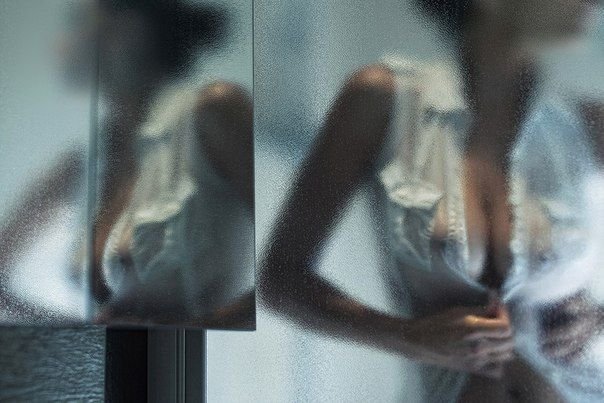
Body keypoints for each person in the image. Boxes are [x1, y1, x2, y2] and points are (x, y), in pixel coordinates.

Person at [260, 0, 604, 400]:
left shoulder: (584, 120)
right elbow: (280, 279)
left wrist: (599, 316)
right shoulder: (383, 100)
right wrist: (407, 337)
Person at [0, 0, 254, 328]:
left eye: (79, 22)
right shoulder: (81, 165)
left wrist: (198, 326)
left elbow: (282, 270)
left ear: (126, 30)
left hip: (192, 357)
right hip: (111, 359)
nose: (61, 42)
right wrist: (78, 333)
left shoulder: (212, 114)